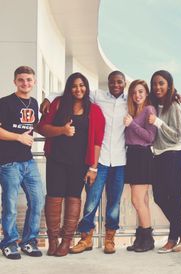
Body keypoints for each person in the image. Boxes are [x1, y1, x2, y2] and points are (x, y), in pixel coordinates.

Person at [40, 70, 127, 254]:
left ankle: (66, 241)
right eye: (74, 85)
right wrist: (61, 130)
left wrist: (93, 167)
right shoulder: (58, 104)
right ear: (69, 88)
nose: (78, 89)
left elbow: (97, 141)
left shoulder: (94, 109)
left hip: (79, 164)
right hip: (56, 160)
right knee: (53, 198)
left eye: (81, 85)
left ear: (87, 88)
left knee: (74, 198)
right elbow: (42, 127)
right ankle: (53, 240)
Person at [0, 66, 44, 259]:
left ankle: (29, 241)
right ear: (15, 81)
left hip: (28, 160)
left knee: (37, 200)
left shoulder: (34, 103)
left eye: (29, 80)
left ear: (34, 82)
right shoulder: (5, 102)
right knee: (10, 204)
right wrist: (18, 137)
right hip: (8, 162)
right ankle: (9, 243)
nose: (25, 83)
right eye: (21, 80)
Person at [147, 70, 181, 253]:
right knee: (158, 195)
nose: (157, 87)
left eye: (162, 83)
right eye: (155, 84)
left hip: (174, 154)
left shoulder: (174, 105)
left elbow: (176, 135)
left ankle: (173, 238)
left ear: (169, 85)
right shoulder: (152, 103)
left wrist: (157, 122)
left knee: (174, 197)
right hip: (158, 155)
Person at [123, 80, 156, 252]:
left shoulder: (149, 110)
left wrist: (131, 124)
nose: (137, 95)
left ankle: (147, 239)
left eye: (141, 91)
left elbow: (150, 137)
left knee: (137, 200)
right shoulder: (134, 110)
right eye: (134, 92)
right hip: (133, 155)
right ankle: (142, 239)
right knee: (142, 201)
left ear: (146, 93)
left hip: (142, 156)